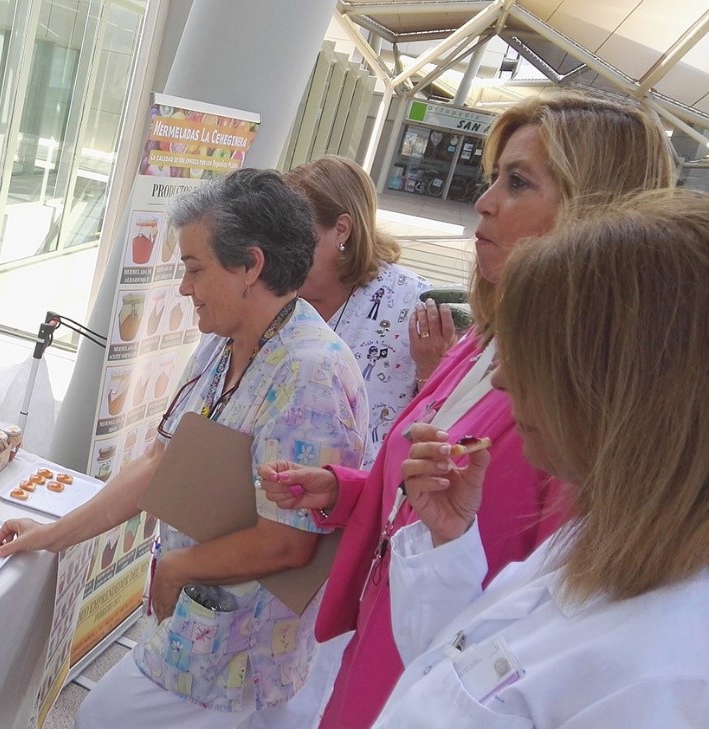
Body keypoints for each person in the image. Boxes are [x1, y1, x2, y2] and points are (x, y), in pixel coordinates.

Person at [255, 91, 676, 729]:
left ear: (596, 212)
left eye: (518, 182)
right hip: (389, 642)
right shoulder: (483, 341)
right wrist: (342, 491)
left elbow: (548, 596)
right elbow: (435, 496)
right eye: (491, 179)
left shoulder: (584, 408)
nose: (484, 202)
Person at [0, 168, 369, 727]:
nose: (184, 288)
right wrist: (49, 536)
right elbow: (159, 463)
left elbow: (288, 545)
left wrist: (174, 568)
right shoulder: (226, 344)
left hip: (241, 650)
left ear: (250, 266)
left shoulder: (311, 373)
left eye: (195, 269)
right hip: (199, 626)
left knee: (101, 716)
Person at [377, 189, 709, 727]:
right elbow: (458, 669)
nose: (503, 380)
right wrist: (449, 546)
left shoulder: (668, 678)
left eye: (534, 356)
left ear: (627, 390)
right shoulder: (606, 537)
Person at [286, 156, 429, 467]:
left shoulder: (412, 301)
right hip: (275, 488)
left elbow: (443, 416)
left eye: (296, 234)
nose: (283, 247)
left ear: (341, 230)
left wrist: (430, 367)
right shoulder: (275, 289)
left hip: (360, 496)